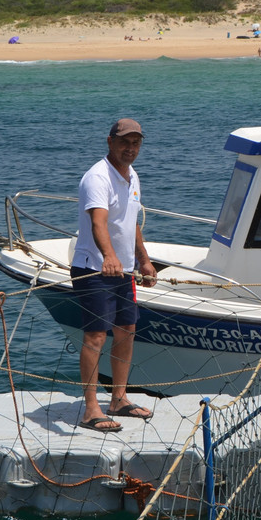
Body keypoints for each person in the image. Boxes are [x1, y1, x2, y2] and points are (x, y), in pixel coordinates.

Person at [71, 118, 158, 432]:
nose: (130, 148)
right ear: (110, 142)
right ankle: (91, 409)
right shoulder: (97, 177)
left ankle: (119, 399)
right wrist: (108, 256)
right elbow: (99, 222)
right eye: (124, 142)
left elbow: (131, 222)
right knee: (95, 336)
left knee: (127, 330)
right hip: (93, 269)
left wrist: (144, 261)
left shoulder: (132, 176)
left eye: (135, 143)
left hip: (124, 271)